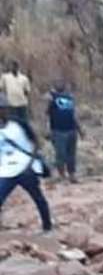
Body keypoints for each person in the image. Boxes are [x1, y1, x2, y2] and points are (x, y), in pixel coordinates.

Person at [0, 94, 52, 232]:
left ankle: (47, 227)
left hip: (25, 169)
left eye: (3, 108)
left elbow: (36, 142)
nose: (2, 111)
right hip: (6, 170)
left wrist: (30, 164)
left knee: (38, 198)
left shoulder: (19, 124)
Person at [47, 82, 84, 183]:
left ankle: (72, 174)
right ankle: (62, 175)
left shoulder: (69, 98)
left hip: (71, 130)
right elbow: (48, 114)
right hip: (59, 131)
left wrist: (80, 130)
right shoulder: (53, 99)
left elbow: (73, 116)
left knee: (71, 154)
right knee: (61, 154)